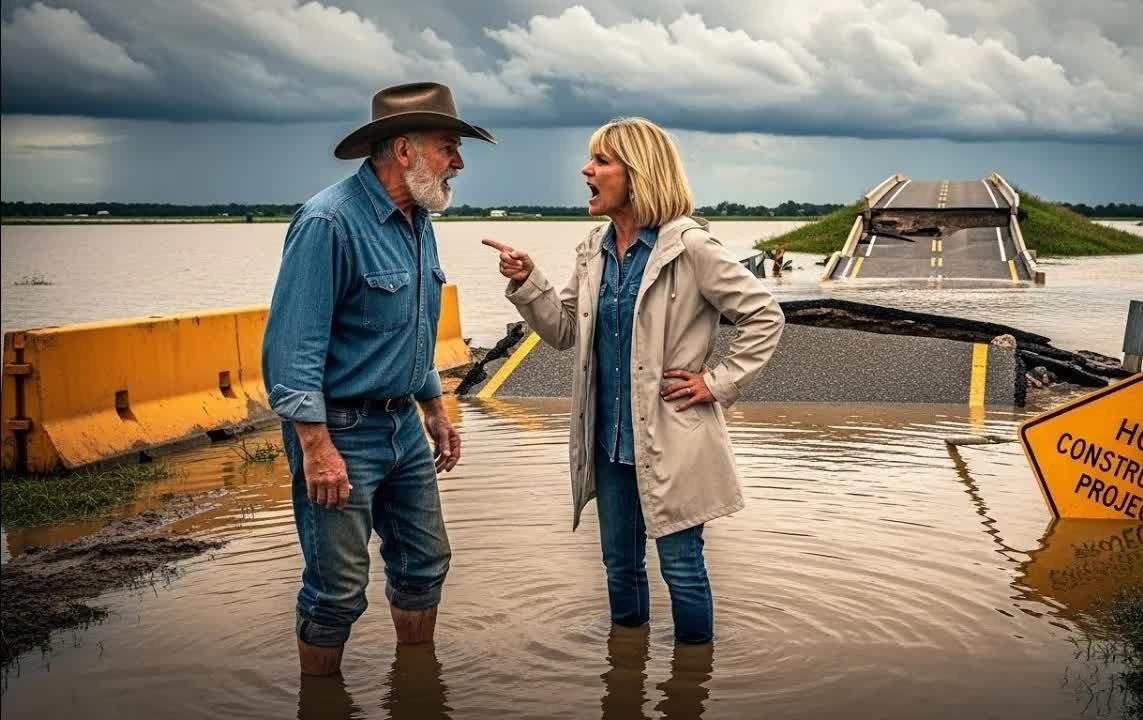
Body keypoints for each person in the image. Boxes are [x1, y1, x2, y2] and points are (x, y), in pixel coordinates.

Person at [482, 117, 784, 644]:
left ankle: (690, 688)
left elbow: (765, 315)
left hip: (672, 437)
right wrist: (528, 282)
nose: (586, 169)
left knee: (683, 572)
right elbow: (562, 330)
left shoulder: (690, 248)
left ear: (638, 173)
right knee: (620, 569)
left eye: (600, 160)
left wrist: (715, 382)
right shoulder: (592, 249)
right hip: (608, 443)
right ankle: (626, 674)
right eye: (590, 159)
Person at [262, 82, 495, 676]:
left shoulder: (418, 219)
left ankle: (417, 687)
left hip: (404, 427)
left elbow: (411, 329)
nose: (460, 163)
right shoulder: (328, 222)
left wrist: (436, 408)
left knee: (425, 565)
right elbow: (292, 350)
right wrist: (316, 448)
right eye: (449, 147)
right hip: (340, 429)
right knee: (337, 589)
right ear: (404, 150)